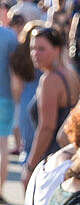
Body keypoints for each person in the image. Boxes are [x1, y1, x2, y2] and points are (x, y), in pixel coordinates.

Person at [24, 27, 80, 187]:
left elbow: (47, 128)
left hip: (50, 160)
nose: (35, 53)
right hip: (66, 157)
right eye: (32, 48)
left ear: (57, 50)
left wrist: (30, 166)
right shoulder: (70, 73)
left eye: (41, 49)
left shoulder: (50, 80)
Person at [10, 21, 40, 160]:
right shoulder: (44, 56)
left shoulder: (19, 54)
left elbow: (17, 86)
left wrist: (17, 102)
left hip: (25, 99)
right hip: (44, 97)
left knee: (27, 147)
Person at [0, 17, 17, 202]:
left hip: (5, 95)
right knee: (2, 146)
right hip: (5, 95)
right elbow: (15, 68)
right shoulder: (9, 36)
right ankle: (0, 188)